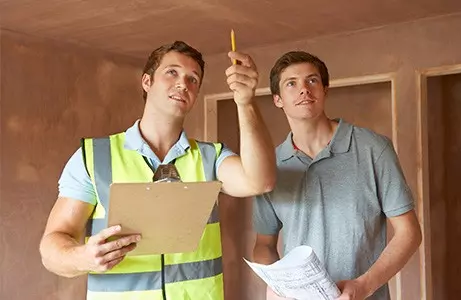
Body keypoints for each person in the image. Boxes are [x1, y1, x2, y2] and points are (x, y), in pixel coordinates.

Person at [39, 41, 276, 300]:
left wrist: (246, 103)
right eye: (171, 72)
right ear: (147, 82)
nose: (183, 83)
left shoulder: (212, 157)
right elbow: (52, 247)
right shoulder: (94, 157)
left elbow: (259, 182)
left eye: (193, 79)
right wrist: (82, 257)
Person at [252, 51, 422, 300]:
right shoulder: (270, 166)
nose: (304, 90)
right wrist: (277, 286)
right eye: (292, 83)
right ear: (278, 99)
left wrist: (364, 286)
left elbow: (409, 233)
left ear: (325, 89)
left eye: (312, 80)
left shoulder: (373, 149)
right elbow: (264, 245)